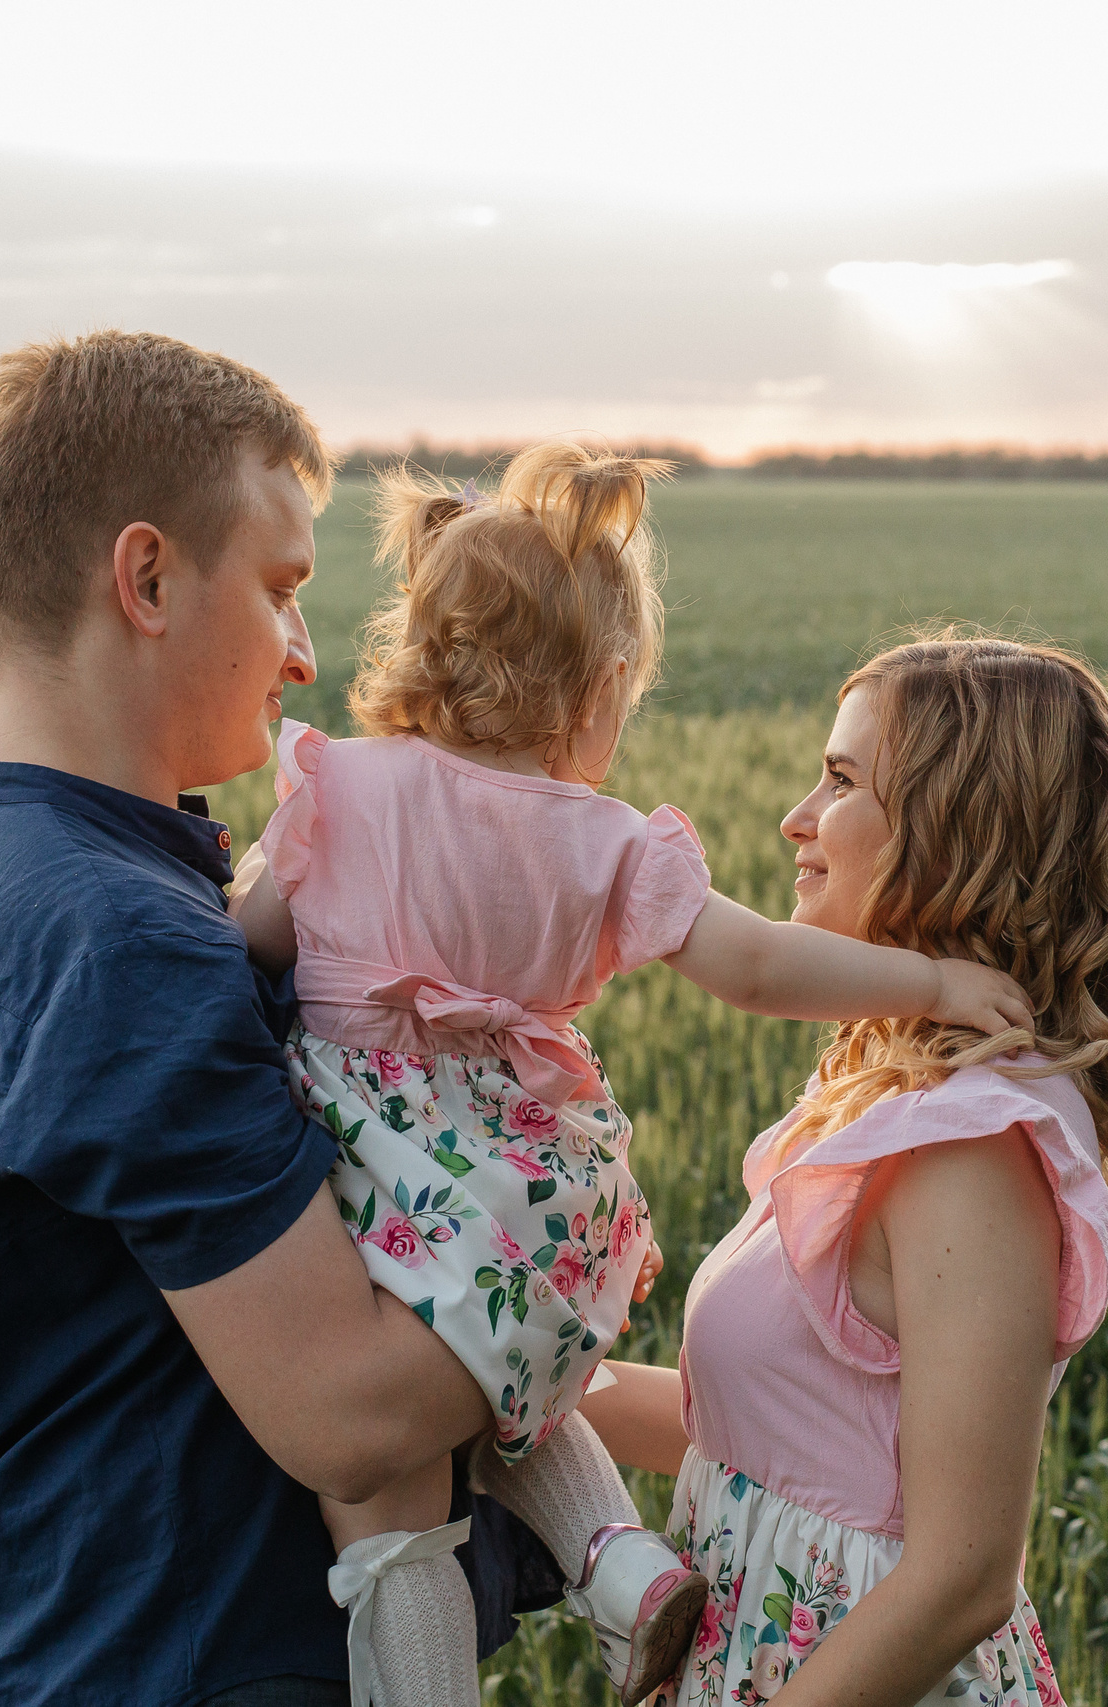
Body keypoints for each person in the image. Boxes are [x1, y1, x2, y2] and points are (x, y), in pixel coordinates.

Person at [227, 448, 1033, 1707]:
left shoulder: (339, 785)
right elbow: (759, 966)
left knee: (382, 1494)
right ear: (598, 696)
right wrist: (928, 984)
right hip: (531, 1179)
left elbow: (244, 945)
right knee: (516, 1376)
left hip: (370, 1168)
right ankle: (616, 1561)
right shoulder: (604, 841)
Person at [0, 330, 558, 1707]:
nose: (305, 655)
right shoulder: (115, 937)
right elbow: (349, 1407)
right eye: (285, 588)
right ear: (148, 576)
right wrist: (574, 1260)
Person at [578, 634, 1108, 1706]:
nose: (793, 817)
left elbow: (963, 1576)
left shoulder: (971, 1148)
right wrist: (498, 1395)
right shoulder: (899, 1094)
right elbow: (762, 1430)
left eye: (838, 782)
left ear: (958, 832)